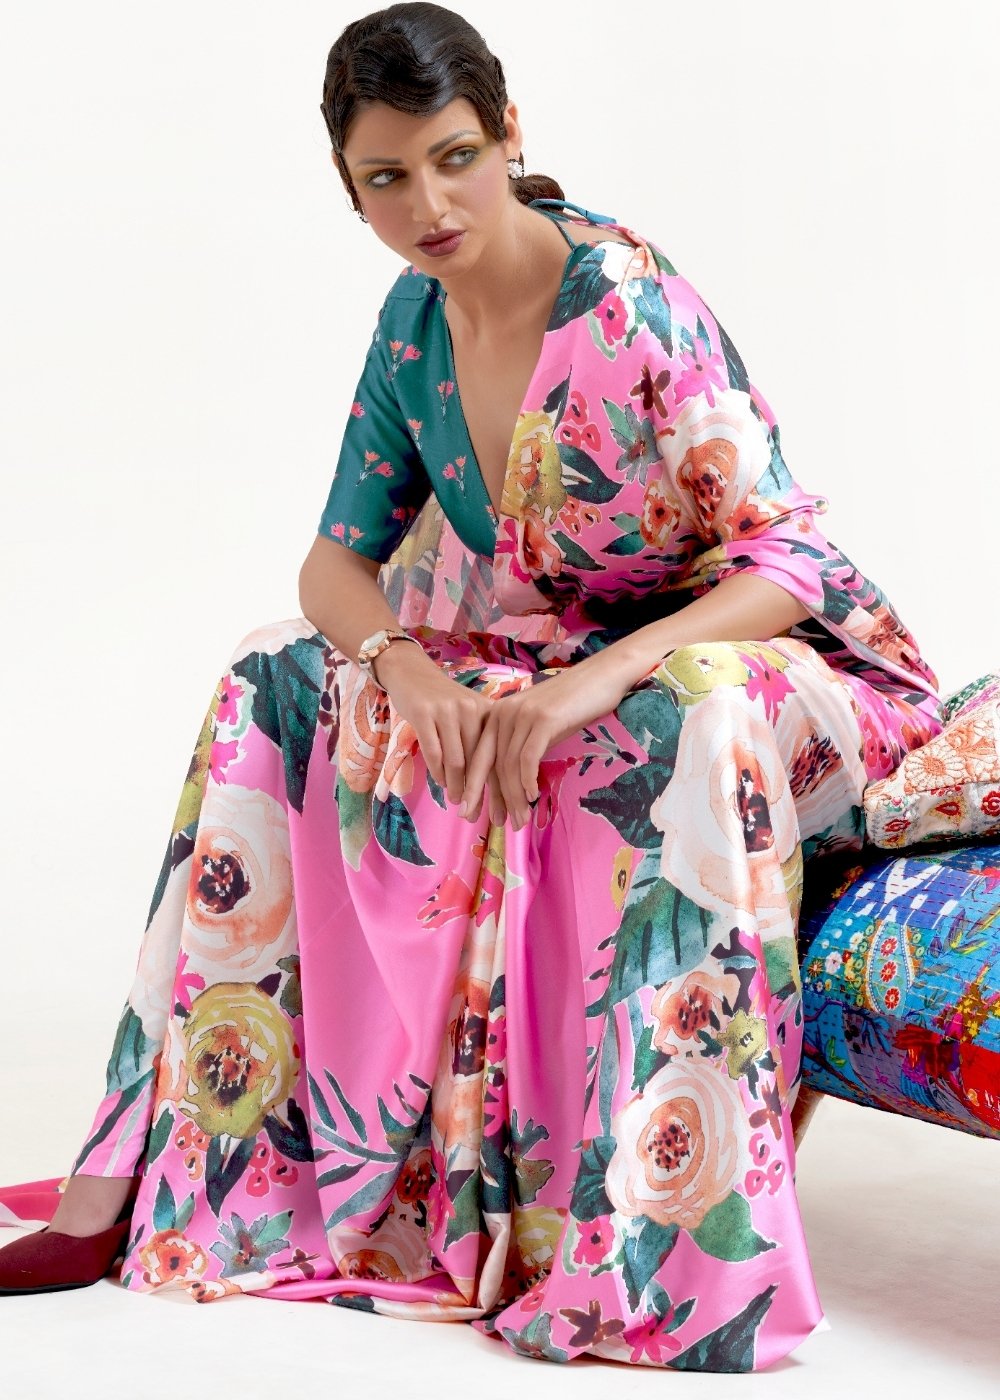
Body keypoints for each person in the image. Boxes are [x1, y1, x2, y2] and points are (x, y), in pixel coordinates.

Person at [0, 0, 941, 1373]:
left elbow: (789, 559)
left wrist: (583, 686)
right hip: (564, 667)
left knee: (682, 705)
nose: (428, 206)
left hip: (771, 680)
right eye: (385, 177)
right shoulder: (413, 324)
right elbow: (337, 563)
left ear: (507, 134)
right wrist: (403, 666)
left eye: (453, 158)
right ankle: (157, 1177)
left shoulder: (629, 305)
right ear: (349, 186)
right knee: (275, 674)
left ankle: (656, 1247)